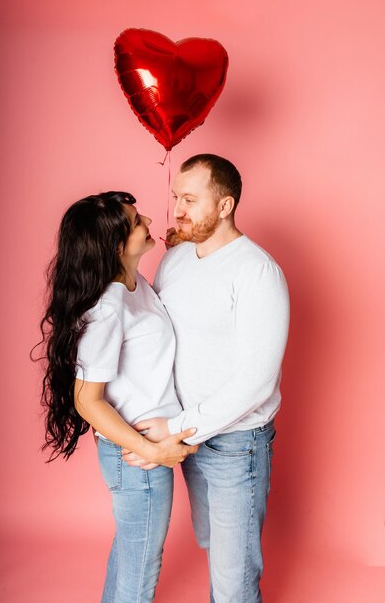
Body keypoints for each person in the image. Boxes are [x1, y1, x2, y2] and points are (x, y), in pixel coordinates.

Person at [123, 155, 290, 603]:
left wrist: (174, 428)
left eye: (191, 199)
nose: (177, 208)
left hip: (236, 444)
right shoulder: (174, 261)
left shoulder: (257, 272)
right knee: (214, 547)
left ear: (224, 205)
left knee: (234, 580)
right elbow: (153, 340)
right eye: (177, 196)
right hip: (190, 440)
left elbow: (257, 381)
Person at [36, 190, 198, 603]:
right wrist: (152, 451)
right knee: (140, 568)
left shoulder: (134, 282)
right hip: (136, 455)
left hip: (145, 446)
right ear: (117, 245)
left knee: (131, 558)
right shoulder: (107, 307)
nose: (148, 222)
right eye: (137, 221)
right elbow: (87, 401)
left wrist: (182, 250)